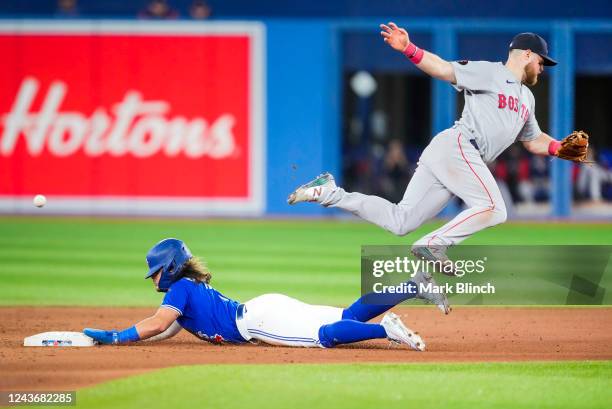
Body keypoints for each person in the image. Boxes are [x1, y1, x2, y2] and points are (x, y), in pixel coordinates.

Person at [288, 23, 573, 269]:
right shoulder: (491, 72)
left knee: (401, 221)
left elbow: (533, 139)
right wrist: (409, 48)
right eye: (541, 61)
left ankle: (329, 193)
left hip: (457, 157)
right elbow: (443, 69)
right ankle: (433, 243)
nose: (542, 68)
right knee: (494, 209)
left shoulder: (527, 99)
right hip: (459, 146)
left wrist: (560, 147)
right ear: (527, 54)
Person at [83, 238, 449, 350]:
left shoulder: (179, 288)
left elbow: (158, 323)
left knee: (324, 337)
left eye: (157, 271)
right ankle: (414, 285)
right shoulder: (187, 287)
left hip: (258, 321)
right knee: (343, 318)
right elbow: (168, 327)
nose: (153, 279)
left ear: (173, 266)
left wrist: (117, 336)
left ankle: (388, 329)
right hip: (264, 306)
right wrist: (139, 338)